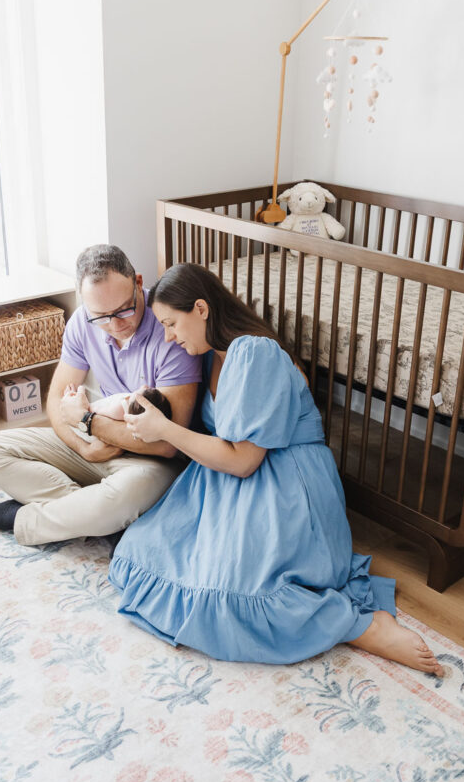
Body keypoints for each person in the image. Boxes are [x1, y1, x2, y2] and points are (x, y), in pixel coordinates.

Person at [108, 263, 443, 676]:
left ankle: (360, 625)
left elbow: (245, 461)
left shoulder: (255, 352)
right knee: (139, 556)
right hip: (223, 480)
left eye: (172, 324)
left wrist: (166, 429)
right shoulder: (210, 355)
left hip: (281, 481)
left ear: (201, 309)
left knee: (237, 601)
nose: (169, 336)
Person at [0, 246, 201, 546]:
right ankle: (93, 516)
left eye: (124, 310)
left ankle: (14, 517)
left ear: (139, 283)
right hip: (94, 446)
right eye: (101, 316)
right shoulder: (81, 322)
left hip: (148, 459)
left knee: (124, 495)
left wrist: (88, 422)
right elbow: (55, 402)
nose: (115, 325)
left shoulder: (169, 331)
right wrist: (84, 446)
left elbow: (169, 445)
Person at [69, 385, 172, 442]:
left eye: (146, 390)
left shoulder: (118, 409)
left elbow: (94, 410)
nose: (145, 386)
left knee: (80, 389)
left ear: (136, 402)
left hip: (90, 416)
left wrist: (80, 395)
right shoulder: (136, 412)